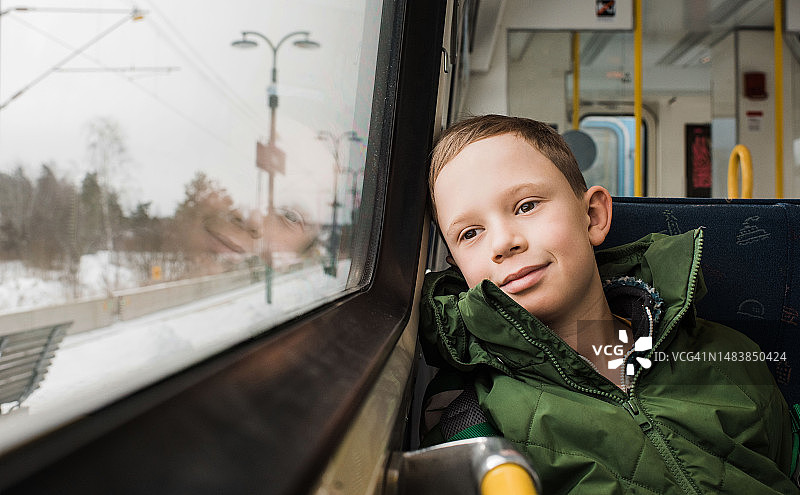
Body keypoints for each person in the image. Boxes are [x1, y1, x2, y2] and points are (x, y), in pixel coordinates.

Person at [419, 114, 800, 494]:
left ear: (593, 216)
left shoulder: (727, 355)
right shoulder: (471, 417)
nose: (503, 243)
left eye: (526, 206)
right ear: (458, 268)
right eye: (470, 233)